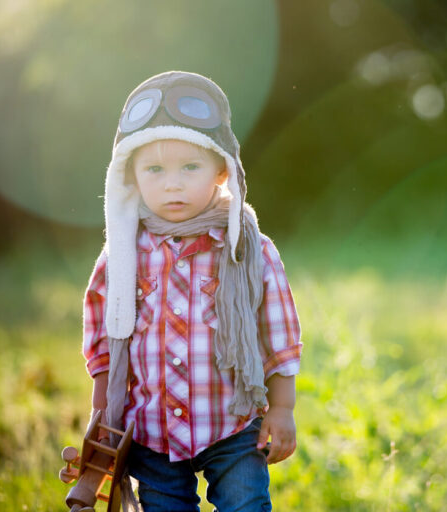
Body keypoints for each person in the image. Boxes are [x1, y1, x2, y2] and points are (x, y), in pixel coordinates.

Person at [82, 71, 303, 511]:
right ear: (132, 175)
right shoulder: (123, 254)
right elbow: (105, 342)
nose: (173, 183)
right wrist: (100, 417)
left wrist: (281, 410)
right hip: (153, 429)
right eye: (155, 169)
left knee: (246, 506)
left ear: (221, 169)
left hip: (232, 423)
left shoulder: (249, 250)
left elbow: (279, 338)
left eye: (190, 167)